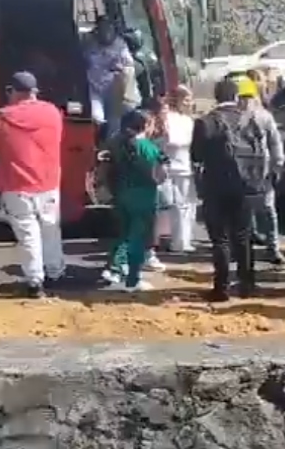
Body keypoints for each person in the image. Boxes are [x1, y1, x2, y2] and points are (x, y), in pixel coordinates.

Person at [0, 71, 65, 298]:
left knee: (28, 234)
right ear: (35, 92)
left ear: (12, 91)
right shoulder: (53, 112)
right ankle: (55, 271)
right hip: (48, 183)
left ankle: (35, 282)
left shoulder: (1, 117)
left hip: (16, 186)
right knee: (50, 229)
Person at [191, 77, 271, 301]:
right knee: (243, 236)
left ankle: (222, 287)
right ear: (236, 97)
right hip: (246, 185)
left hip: (216, 186)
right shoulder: (249, 120)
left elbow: (196, 156)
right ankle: (247, 284)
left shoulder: (206, 122)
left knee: (220, 239)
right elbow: (261, 150)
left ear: (216, 97)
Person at [107, 109, 167, 293]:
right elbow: (159, 175)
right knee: (138, 240)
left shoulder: (118, 143)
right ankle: (133, 280)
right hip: (143, 197)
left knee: (123, 235)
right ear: (147, 125)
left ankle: (115, 269)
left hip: (123, 193)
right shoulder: (149, 147)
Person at [237, 75, 285, 268]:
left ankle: (273, 247)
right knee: (245, 209)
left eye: (248, 97)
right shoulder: (235, 117)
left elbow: (275, 142)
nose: (246, 101)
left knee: (267, 210)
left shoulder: (264, 117)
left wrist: (278, 164)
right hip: (242, 170)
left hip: (262, 170)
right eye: (243, 97)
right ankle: (246, 245)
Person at [85, 16, 137, 140]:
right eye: (102, 28)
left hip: (114, 88)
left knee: (114, 122)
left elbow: (129, 65)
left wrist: (120, 67)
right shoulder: (89, 43)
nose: (106, 32)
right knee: (96, 117)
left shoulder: (120, 45)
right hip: (94, 88)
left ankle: (110, 148)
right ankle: (95, 141)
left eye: (108, 28)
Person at [160, 84, 198, 253]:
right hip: (173, 166)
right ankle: (179, 242)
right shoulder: (169, 118)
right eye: (187, 99)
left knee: (189, 205)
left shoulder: (188, 119)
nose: (190, 103)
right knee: (177, 206)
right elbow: (171, 141)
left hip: (186, 166)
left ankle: (185, 240)